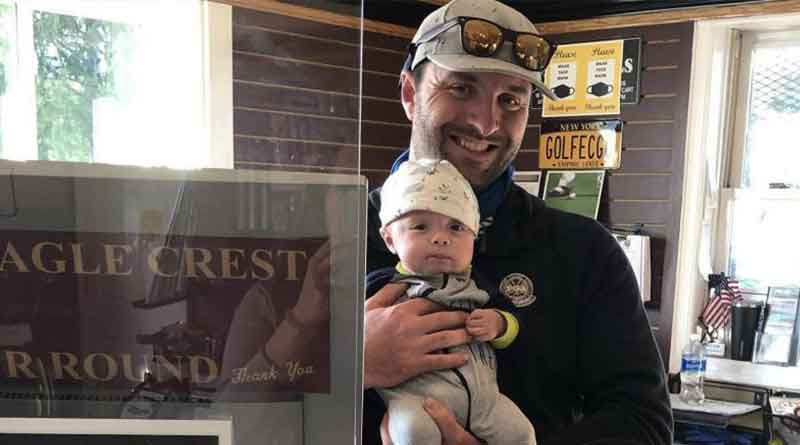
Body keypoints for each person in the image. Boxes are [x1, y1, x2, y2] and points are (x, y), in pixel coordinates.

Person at [362, 0, 674, 444]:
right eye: (461, 88)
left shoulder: (583, 250)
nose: (486, 123)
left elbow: (644, 424)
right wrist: (347, 363)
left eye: (511, 100)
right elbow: (242, 390)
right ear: (410, 95)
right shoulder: (335, 234)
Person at [374, 158, 535, 445]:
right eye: (420, 227)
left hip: (486, 403)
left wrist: (498, 324)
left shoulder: (480, 287)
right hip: (416, 400)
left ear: (474, 237)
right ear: (389, 239)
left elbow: (513, 321)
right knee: (414, 434)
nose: (440, 238)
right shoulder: (383, 287)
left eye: (456, 228)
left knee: (522, 433)